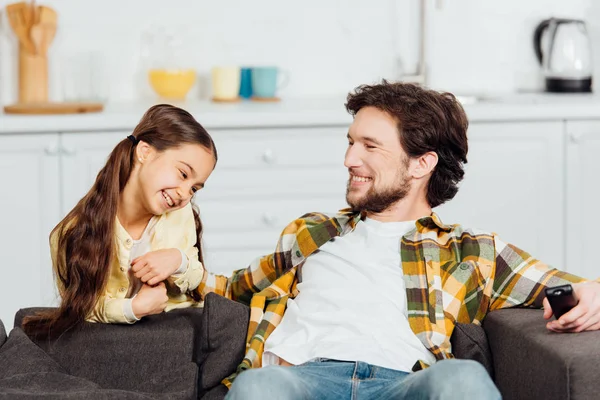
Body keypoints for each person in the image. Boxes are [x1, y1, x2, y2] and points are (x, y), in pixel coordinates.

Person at [23, 104, 218, 338]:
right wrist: (133, 308)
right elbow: (80, 308)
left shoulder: (181, 216)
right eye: (183, 174)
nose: (185, 194)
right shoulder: (72, 232)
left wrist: (178, 261)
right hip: (112, 341)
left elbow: (196, 276)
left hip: (176, 332)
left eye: (194, 188)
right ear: (144, 152)